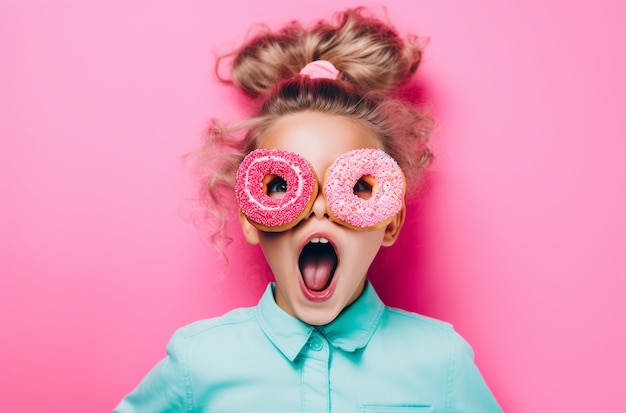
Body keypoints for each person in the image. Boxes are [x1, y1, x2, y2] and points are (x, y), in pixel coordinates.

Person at [114, 7, 502, 412]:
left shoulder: (441, 361)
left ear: (390, 221)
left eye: (355, 186)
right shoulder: (199, 360)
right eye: (281, 185)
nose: (319, 209)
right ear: (249, 216)